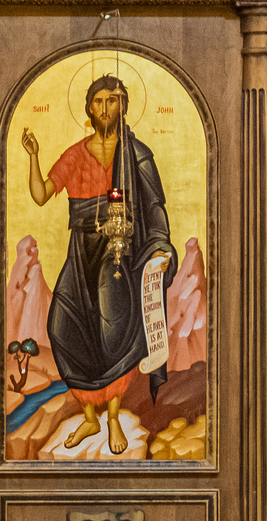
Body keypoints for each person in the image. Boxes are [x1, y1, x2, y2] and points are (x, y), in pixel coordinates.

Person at [21, 74, 176, 456]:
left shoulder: (135, 154)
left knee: (114, 328)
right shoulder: (75, 154)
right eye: (100, 101)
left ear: (123, 106)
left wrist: (157, 248)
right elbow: (41, 194)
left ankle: (111, 417)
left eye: (114, 100)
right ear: (89, 108)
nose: (107, 108)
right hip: (81, 252)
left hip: (119, 252)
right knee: (63, 326)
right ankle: (89, 415)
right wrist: (33, 154)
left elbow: (154, 206)